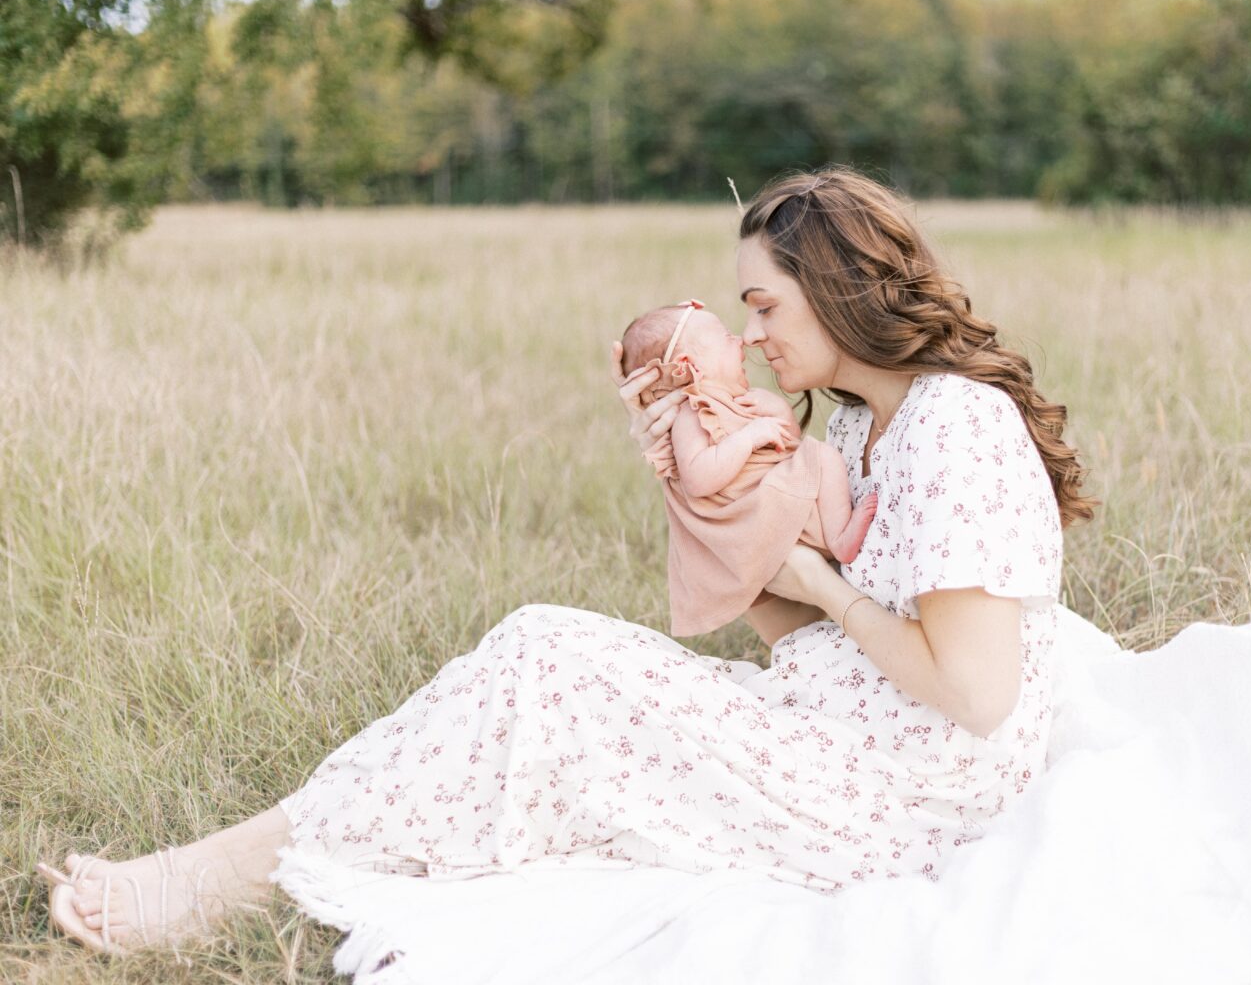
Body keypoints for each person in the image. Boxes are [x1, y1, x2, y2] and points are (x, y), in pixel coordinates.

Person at [35, 164, 1094, 958]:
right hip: (837, 736)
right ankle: (241, 867)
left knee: (547, 661)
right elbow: (808, 644)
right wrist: (700, 496)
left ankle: (222, 880)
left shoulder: (958, 425)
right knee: (542, 663)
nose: (754, 335)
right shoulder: (867, 427)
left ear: (842, 289)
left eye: (765, 304)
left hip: (907, 796)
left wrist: (819, 578)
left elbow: (975, 689)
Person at [618, 297, 880, 636]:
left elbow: (786, 444)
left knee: (817, 458)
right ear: (688, 366)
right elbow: (698, 478)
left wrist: (778, 413)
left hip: (780, 509)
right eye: (725, 337)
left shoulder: (738, 401)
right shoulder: (691, 413)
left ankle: (837, 537)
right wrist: (751, 436)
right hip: (761, 513)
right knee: (824, 457)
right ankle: (840, 537)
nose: (740, 340)